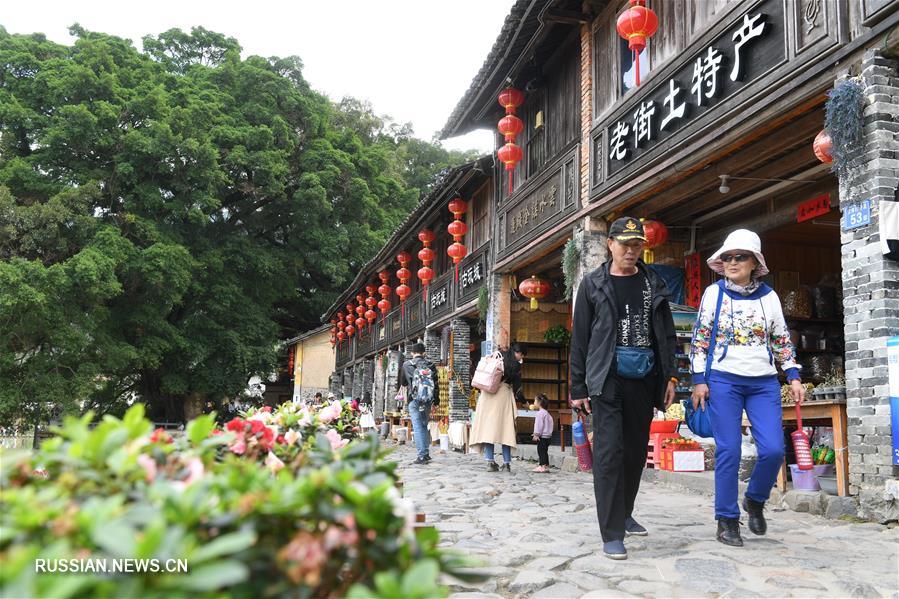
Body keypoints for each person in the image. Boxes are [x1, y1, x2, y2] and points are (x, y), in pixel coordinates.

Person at [569, 216, 678, 561]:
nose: (630, 251)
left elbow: (668, 334)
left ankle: (625, 511)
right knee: (609, 452)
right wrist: (578, 386)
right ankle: (612, 531)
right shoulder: (593, 284)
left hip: (644, 377)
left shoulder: (653, 283)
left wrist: (670, 377)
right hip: (606, 378)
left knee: (633, 453)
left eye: (636, 245)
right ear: (610, 245)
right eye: (624, 244)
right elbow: (581, 339)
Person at [690, 229, 805, 547]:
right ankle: (726, 520)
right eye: (727, 257)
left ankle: (754, 500)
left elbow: (781, 339)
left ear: (755, 262)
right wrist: (699, 380)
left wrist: (793, 375)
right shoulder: (713, 294)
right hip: (723, 380)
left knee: (773, 450)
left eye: (740, 256)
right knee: (729, 450)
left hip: (764, 382)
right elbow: (699, 339)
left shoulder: (769, 297)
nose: (732, 262)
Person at [470, 342, 527, 473]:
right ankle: (506, 464)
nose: (522, 357)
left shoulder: (496, 357)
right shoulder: (516, 366)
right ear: (518, 353)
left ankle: (490, 461)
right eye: (522, 354)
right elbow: (518, 391)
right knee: (505, 431)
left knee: (488, 430)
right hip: (503, 397)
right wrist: (525, 402)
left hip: (487, 395)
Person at [397, 342, 439, 465]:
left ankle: (422, 456)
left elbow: (403, 383)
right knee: (424, 425)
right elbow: (436, 385)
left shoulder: (406, 365)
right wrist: (436, 401)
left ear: (412, 353)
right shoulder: (430, 365)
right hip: (427, 400)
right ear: (424, 353)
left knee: (417, 426)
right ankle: (425, 453)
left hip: (414, 399)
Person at [532, 394, 553, 473]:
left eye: (535, 401)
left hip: (542, 436)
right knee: (545, 451)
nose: (534, 402)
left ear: (539, 403)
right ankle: (546, 465)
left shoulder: (540, 413)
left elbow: (539, 425)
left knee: (541, 451)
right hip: (548, 437)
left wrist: (536, 434)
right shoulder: (547, 413)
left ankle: (542, 466)